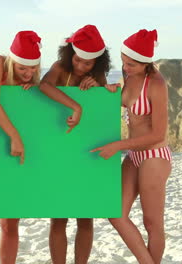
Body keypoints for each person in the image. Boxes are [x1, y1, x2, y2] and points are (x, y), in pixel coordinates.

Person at [91, 29, 172, 264]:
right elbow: (118, 102)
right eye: (124, 62)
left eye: (132, 65)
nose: (126, 68)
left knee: (152, 222)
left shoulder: (156, 84)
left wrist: (118, 145)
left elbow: (158, 134)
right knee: (115, 213)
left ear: (146, 63)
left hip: (154, 156)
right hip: (134, 156)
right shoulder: (129, 77)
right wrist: (101, 88)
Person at [39, 25, 112, 264]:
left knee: (85, 216)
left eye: (88, 64)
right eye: (78, 60)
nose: (81, 67)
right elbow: (44, 85)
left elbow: (106, 105)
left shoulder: (96, 76)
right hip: (59, 153)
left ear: (97, 64)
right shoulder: (60, 68)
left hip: (85, 154)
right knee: (58, 218)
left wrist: (100, 88)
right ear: (70, 54)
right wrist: (76, 106)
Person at [0, 30, 42, 264]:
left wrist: (33, 89)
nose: (28, 73)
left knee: (11, 223)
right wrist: (15, 136)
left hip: (15, 156)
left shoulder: (31, 81)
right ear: (13, 62)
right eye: (23, 68)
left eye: (33, 68)